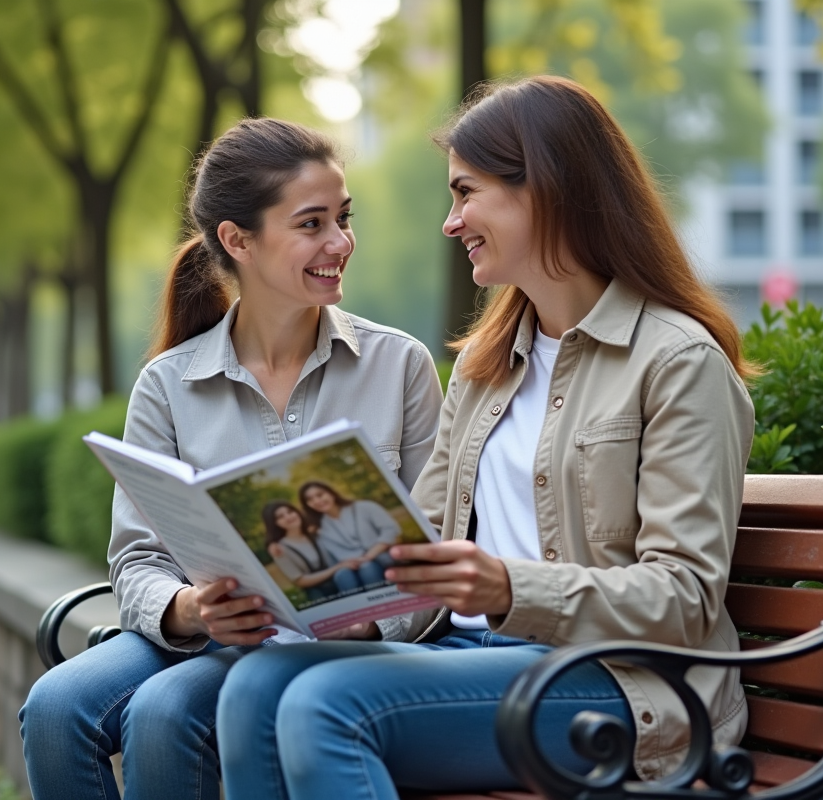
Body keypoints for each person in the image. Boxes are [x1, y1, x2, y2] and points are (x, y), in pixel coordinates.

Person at [212, 75, 757, 800]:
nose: (451, 220)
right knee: (254, 686)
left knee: (326, 707)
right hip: (473, 652)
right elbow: (422, 545)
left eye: (466, 193)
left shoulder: (677, 362)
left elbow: (685, 597)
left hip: (621, 687)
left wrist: (507, 586)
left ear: (546, 190)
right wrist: (328, 605)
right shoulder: (486, 364)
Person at [18, 118, 443, 800]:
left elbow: (443, 543)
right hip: (207, 634)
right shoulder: (168, 382)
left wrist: (372, 618)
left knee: (162, 715)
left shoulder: (399, 367)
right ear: (237, 240)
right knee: (55, 706)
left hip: (346, 645)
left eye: (343, 218)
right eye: (312, 224)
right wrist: (188, 608)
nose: (340, 243)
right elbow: (135, 559)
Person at [298, 481, 399, 587]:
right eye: (310, 500)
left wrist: (369, 555)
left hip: (379, 557)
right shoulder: (319, 528)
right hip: (348, 566)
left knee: (367, 568)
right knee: (341, 575)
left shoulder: (365, 507)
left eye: (320, 495)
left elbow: (390, 530)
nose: (317, 501)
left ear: (331, 493)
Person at [262, 501, 360, 601]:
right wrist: (336, 568)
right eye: (280, 517)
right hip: (320, 595)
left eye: (290, 512)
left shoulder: (315, 533)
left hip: (343, 579)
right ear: (274, 523)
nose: (288, 517)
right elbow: (300, 581)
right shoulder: (279, 550)